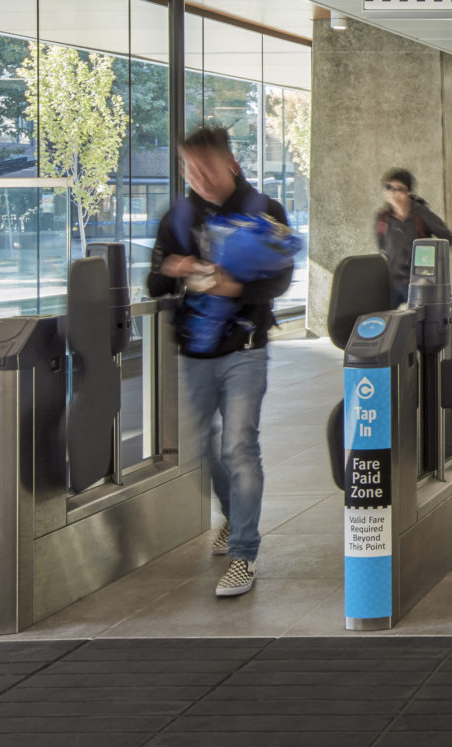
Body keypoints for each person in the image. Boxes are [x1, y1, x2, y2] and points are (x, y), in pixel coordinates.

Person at [145, 121, 295, 599]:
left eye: (207, 168)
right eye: (190, 169)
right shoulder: (179, 217)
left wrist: (238, 287)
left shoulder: (264, 210)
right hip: (194, 351)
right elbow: (153, 281)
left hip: (246, 350)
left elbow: (279, 281)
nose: (199, 178)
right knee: (202, 446)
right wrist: (178, 268)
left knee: (240, 447)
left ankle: (244, 554)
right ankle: (232, 516)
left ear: (230, 162)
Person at [374, 167, 452, 301]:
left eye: (398, 189)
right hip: (391, 284)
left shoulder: (421, 214)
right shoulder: (383, 217)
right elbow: (382, 248)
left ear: (409, 192)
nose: (393, 193)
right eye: (389, 187)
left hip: (418, 285)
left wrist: (430, 262)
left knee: (416, 321)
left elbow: (448, 238)